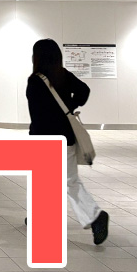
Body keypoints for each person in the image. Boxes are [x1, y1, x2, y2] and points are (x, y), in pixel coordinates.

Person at [27, 39, 109, 245]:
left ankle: (94, 216)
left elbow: (37, 116)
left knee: (48, 180)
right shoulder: (63, 75)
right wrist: (69, 107)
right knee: (67, 180)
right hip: (65, 137)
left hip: (45, 139)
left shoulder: (35, 81)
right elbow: (84, 91)